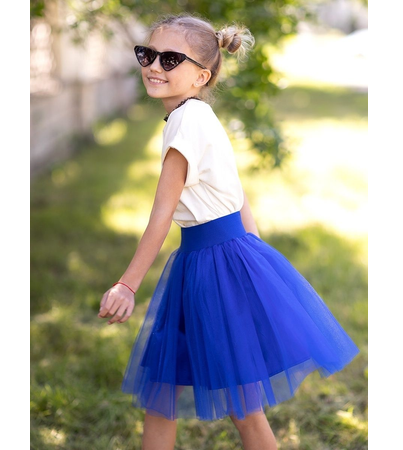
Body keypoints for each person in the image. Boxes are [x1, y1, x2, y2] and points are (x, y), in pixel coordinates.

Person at [98, 13, 359, 450]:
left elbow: (162, 213)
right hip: (210, 261)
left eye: (170, 59)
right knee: (167, 390)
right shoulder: (197, 116)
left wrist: (128, 284)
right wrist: (254, 253)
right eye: (148, 54)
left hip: (214, 267)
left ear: (201, 76)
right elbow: (239, 196)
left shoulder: (187, 120)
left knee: (239, 405)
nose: (154, 66)